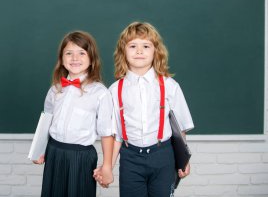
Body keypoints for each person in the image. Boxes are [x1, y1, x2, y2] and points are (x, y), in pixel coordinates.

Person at [95, 21, 194, 196]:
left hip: (163, 156)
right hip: (130, 158)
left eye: (146, 46)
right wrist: (107, 166)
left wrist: (183, 159)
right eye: (133, 46)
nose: (139, 51)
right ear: (123, 52)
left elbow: (180, 129)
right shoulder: (115, 90)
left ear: (156, 51)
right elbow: (116, 134)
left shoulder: (170, 86)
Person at [33, 31, 114, 197]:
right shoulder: (55, 89)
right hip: (54, 151)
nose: (75, 58)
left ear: (92, 59)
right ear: (62, 59)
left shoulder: (100, 93)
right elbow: (46, 120)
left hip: (81, 157)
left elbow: (107, 132)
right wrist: (38, 150)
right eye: (69, 53)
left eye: (81, 53)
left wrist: (107, 166)